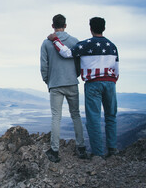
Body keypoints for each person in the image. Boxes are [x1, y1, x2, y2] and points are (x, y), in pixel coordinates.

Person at [48, 17, 119, 158]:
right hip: (110, 83)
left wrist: (55, 39)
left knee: (94, 119)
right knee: (111, 116)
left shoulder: (85, 45)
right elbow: (116, 69)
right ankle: (112, 149)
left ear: (90, 28)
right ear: (103, 28)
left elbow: (67, 53)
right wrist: (111, 81)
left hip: (93, 84)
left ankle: (98, 154)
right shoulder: (112, 46)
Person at [40, 14, 86, 163]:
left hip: (55, 85)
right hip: (72, 82)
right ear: (65, 25)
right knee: (76, 115)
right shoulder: (75, 41)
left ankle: (54, 151)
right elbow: (80, 64)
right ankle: (81, 148)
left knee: (56, 117)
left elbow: (44, 67)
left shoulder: (46, 43)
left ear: (52, 26)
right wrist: (74, 75)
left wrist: (49, 81)